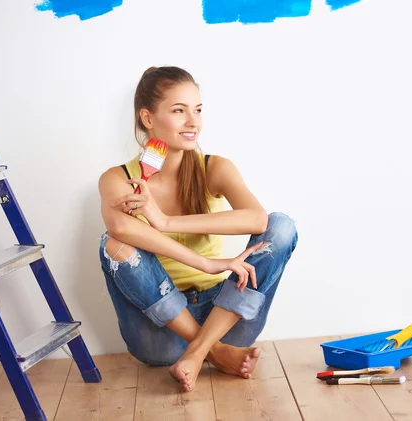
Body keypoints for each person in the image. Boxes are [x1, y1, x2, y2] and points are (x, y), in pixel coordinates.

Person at [98, 66, 298, 392]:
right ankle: (212, 351)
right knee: (112, 243)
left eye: (198, 110)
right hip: (162, 330)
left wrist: (164, 222)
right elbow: (118, 228)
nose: (194, 121)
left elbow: (258, 220)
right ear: (148, 119)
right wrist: (205, 262)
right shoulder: (117, 178)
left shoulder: (215, 168)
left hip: (225, 315)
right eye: (179, 110)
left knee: (282, 225)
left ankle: (204, 348)